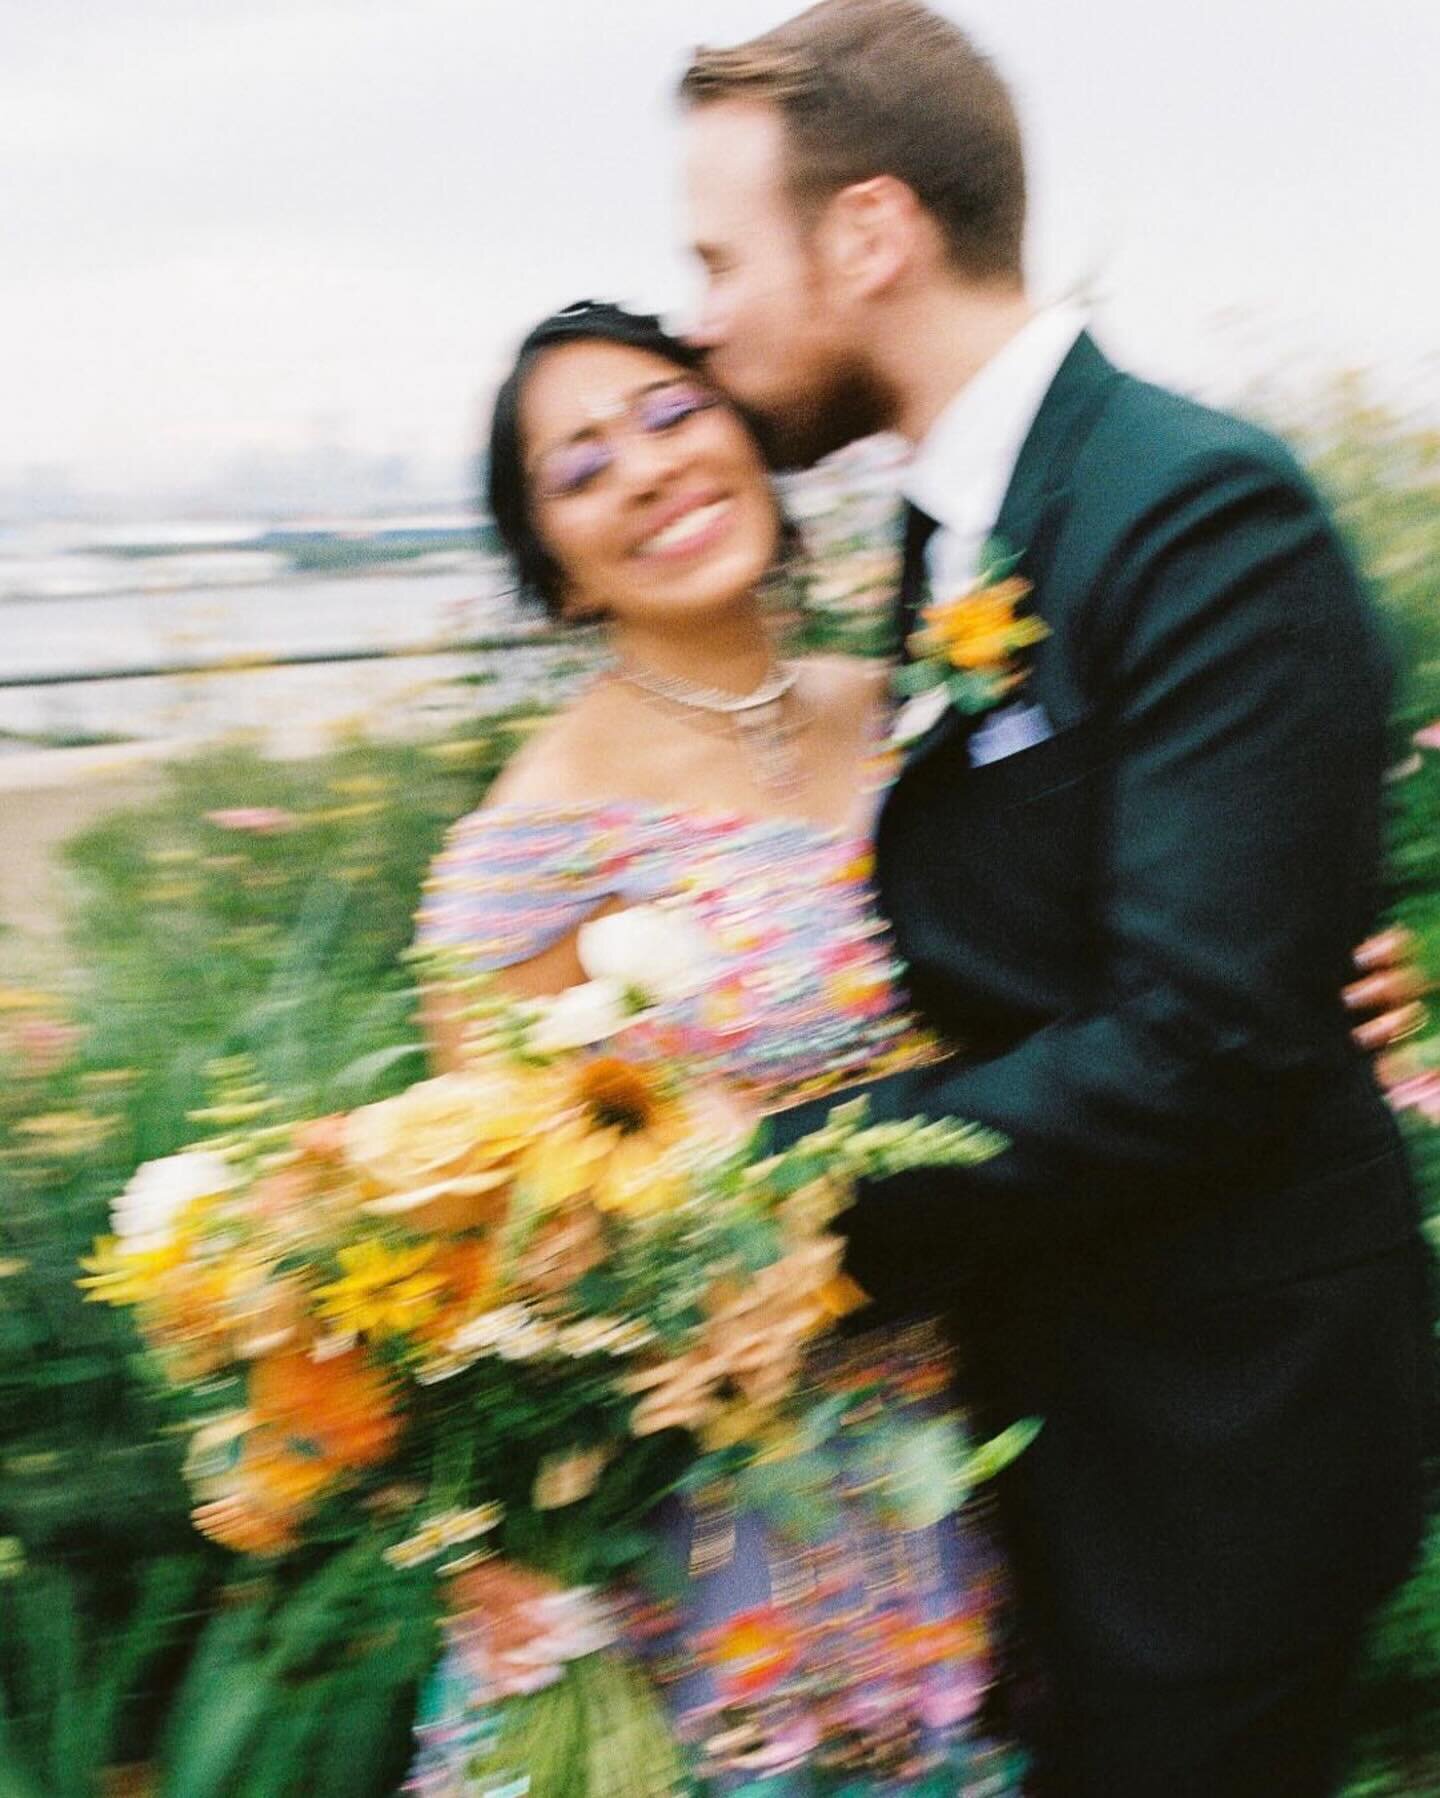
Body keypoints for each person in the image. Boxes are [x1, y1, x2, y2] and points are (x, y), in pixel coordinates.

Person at [675, 3, 1434, 1794]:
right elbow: (1045, 938)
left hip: (1218, 1437)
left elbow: (1201, 1038)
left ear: (870, 233)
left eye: (718, 257)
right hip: (1062, 1406)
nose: (701, 315)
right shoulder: (960, 533)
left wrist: (777, 1187)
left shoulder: (1194, 512)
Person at [407, 300, 1026, 1796]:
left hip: (971, 1438)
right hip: (710, 1521)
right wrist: (489, 1543)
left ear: (750, 436)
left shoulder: (911, 707)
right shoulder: (530, 846)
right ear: (553, 570)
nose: (647, 469)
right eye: (579, 466)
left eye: (673, 412)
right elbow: (484, 1251)